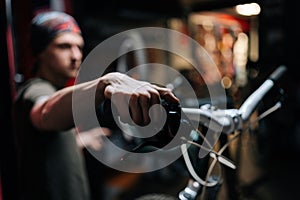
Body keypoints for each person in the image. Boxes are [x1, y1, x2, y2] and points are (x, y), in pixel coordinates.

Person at [13, 10, 179, 200]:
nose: (75, 55)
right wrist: (106, 83)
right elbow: (44, 113)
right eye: (64, 46)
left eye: (79, 47)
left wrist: (80, 140)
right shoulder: (35, 90)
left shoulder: (57, 92)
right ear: (41, 52)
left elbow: (44, 142)